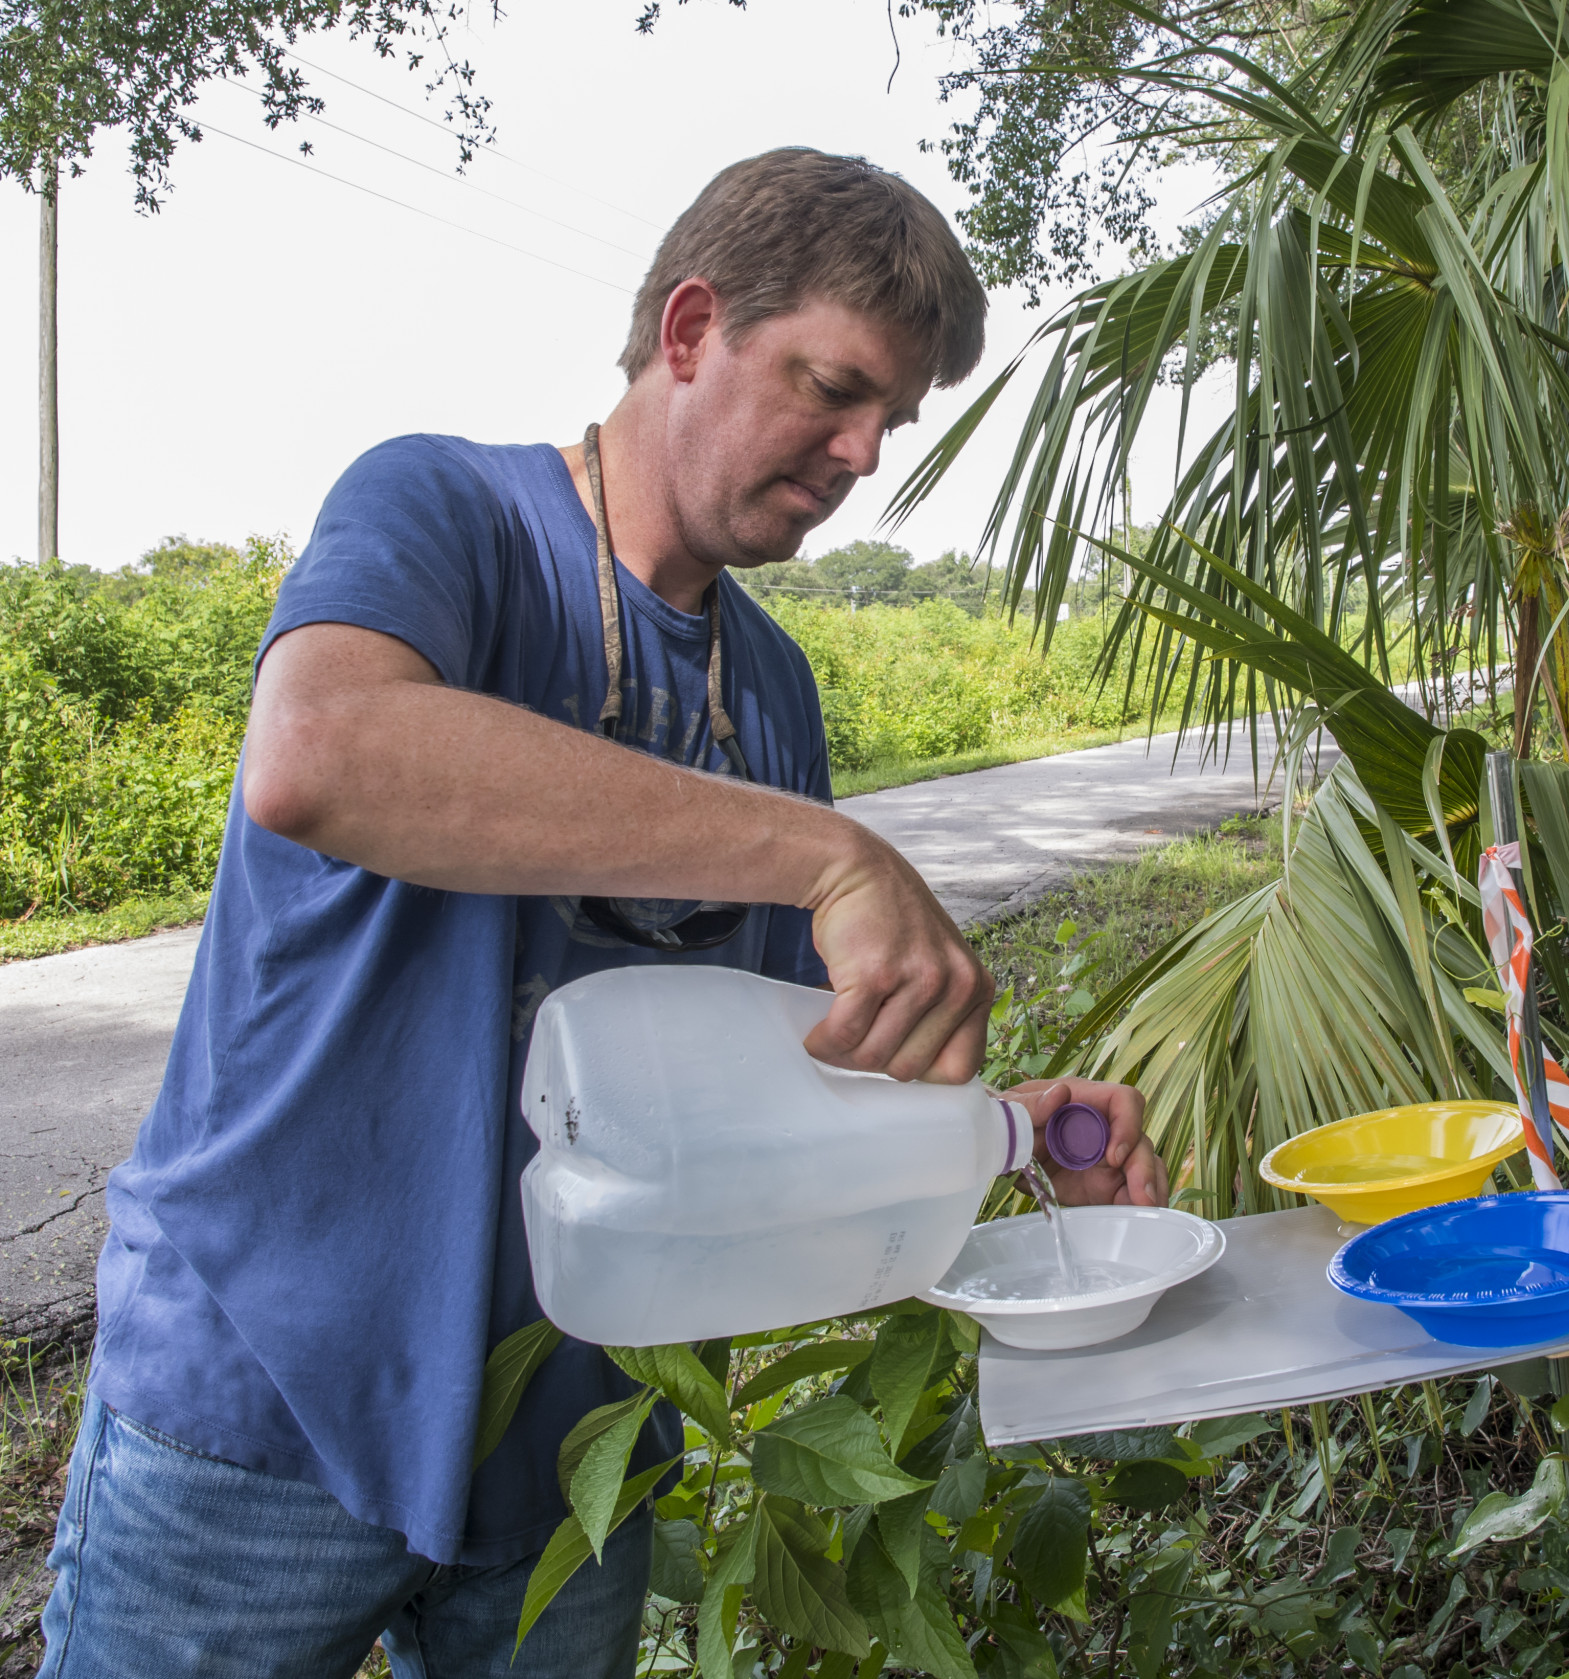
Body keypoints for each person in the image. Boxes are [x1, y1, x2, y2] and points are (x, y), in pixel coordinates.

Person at [37, 148, 1167, 1679]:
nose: (861, 452)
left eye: (889, 420)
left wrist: (1010, 1139)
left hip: (579, 1446)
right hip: (266, 1409)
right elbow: (323, 755)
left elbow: (781, 1086)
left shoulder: (767, 688)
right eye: (834, 389)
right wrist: (825, 854)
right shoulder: (446, 510)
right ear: (691, 328)